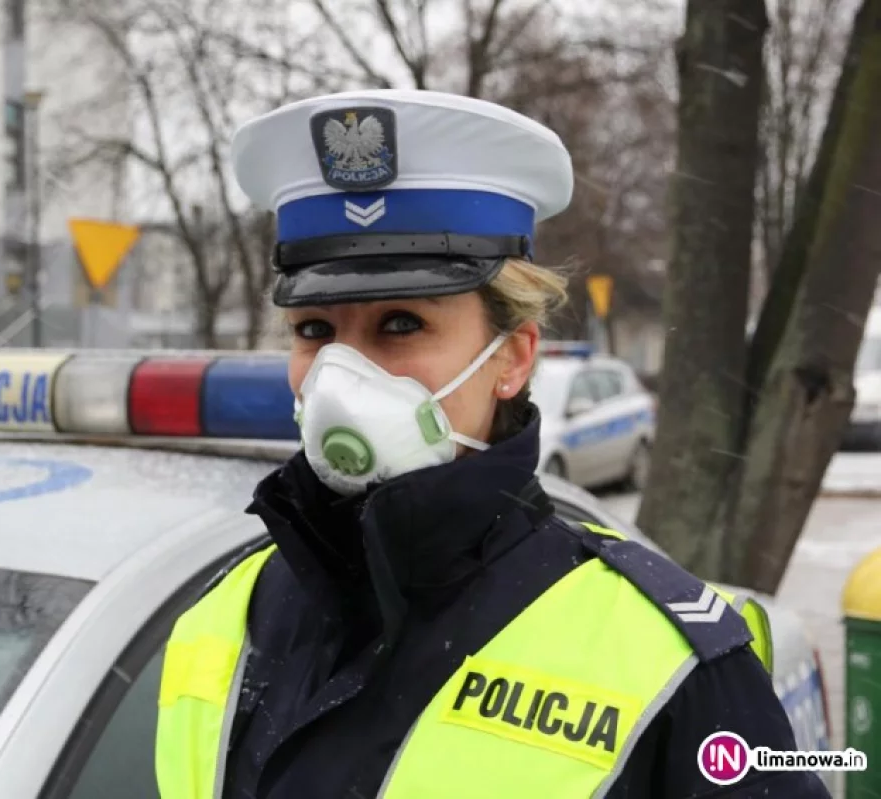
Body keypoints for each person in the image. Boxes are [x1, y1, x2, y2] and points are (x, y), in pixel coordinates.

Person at [155, 90, 831, 798]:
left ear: (512, 357)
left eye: (400, 324)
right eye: (314, 331)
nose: (338, 376)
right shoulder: (225, 615)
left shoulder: (670, 664)